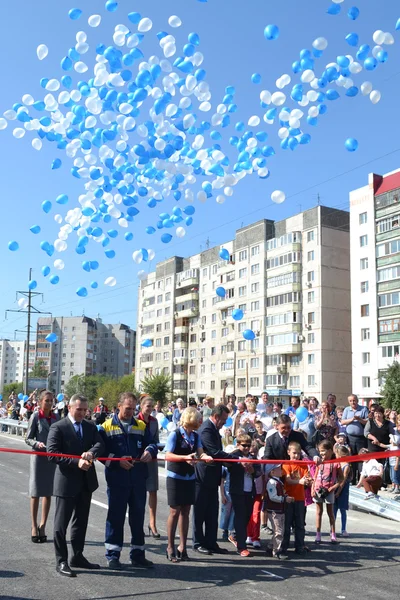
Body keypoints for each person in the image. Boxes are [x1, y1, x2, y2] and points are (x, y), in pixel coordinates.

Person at [46, 394, 104, 577]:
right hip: (66, 482)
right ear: (70, 408)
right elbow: (52, 454)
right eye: (79, 409)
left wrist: (91, 453)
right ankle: (61, 560)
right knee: (60, 525)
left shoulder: (89, 426)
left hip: (86, 482)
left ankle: (77, 556)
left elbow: (99, 443)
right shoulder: (58, 427)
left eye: (85, 409)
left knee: (80, 522)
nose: (82, 413)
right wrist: (76, 462)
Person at [99, 392, 158, 571]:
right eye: (127, 408)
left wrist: (149, 451)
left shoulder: (140, 425)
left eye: (133, 409)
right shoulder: (105, 427)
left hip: (138, 479)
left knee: (137, 517)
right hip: (117, 480)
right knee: (115, 518)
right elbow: (100, 452)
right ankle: (113, 555)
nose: (131, 412)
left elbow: (153, 443)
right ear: (118, 406)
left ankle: (138, 555)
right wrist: (117, 461)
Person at [165, 407, 212, 562]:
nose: (200, 421)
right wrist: (184, 458)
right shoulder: (176, 434)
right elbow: (168, 455)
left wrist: (205, 456)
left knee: (186, 511)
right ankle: (170, 546)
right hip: (175, 476)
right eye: (198, 418)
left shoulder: (195, 436)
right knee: (174, 511)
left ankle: (182, 546)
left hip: (189, 477)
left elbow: (200, 451)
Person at [193, 404, 231, 555]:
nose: (224, 423)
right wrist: (234, 458)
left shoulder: (214, 429)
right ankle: (198, 542)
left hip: (212, 477)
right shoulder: (206, 429)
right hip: (203, 477)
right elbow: (215, 453)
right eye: (223, 420)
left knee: (211, 513)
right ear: (216, 417)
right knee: (200, 512)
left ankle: (210, 542)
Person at [25, 390, 58, 544]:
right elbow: (28, 438)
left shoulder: (56, 417)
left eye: (51, 400)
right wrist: (37, 443)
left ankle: (43, 525)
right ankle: (33, 525)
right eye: (47, 400)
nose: (50, 403)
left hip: (51, 458)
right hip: (38, 457)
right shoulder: (36, 416)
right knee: (36, 491)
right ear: (40, 402)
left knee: (48, 492)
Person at [227, 434, 260, 557]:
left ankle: (235, 535)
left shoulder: (253, 457)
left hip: (249, 490)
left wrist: (253, 471)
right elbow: (227, 465)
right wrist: (239, 464)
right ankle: (241, 546)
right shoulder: (234, 455)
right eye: (243, 445)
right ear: (238, 444)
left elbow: (258, 472)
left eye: (248, 445)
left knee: (247, 516)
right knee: (240, 516)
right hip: (237, 491)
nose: (246, 448)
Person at [281, 441, 312, 556]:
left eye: (298, 453)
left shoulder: (303, 464)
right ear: (288, 452)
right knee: (286, 524)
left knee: (299, 525)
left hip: (300, 498)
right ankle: (283, 547)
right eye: (294, 453)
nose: (296, 456)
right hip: (289, 498)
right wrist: (300, 481)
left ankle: (299, 546)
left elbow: (307, 478)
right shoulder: (286, 464)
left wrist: (309, 481)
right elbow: (288, 480)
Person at [137, 396, 161, 538]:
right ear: (141, 406)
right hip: (138, 460)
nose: (150, 409)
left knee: (153, 490)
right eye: (148, 406)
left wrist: (153, 449)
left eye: (152, 406)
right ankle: (138, 523)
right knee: (138, 492)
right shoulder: (135, 420)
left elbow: (156, 441)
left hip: (151, 459)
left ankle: (152, 523)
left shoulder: (154, 422)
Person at [312, 440, 343, 544]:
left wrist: (333, 488)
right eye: (320, 451)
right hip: (318, 489)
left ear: (330, 451)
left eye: (323, 451)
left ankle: (333, 534)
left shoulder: (335, 464)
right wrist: (312, 488)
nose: (321, 454)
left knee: (330, 513)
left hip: (329, 491)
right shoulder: (319, 463)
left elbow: (341, 479)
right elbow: (315, 476)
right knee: (318, 512)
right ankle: (318, 534)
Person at [264, 464, 294, 559]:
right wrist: (284, 499)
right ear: (272, 472)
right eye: (279, 469)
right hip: (274, 511)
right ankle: (277, 551)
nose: (282, 471)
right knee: (279, 531)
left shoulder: (278, 482)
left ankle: (270, 546)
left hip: (280, 510)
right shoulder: (272, 483)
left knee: (279, 531)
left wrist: (286, 497)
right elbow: (272, 497)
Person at [341, 394, 368, 482]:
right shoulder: (346, 410)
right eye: (351, 401)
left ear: (357, 400)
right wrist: (352, 419)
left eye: (354, 400)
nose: (353, 402)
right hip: (350, 438)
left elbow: (368, 422)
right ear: (349, 402)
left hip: (361, 438)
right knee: (351, 457)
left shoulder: (363, 409)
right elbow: (342, 421)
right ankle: (352, 478)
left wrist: (360, 419)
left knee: (361, 458)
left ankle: (361, 478)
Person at [334, 445, 352, 537]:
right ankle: (332, 529)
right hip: (335, 488)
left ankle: (343, 529)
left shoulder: (346, 466)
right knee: (333, 510)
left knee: (342, 510)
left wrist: (338, 492)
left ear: (340, 455)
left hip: (343, 490)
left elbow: (343, 481)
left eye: (336, 453)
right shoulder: (337, 464)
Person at [219, 462, 235, 542]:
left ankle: (231, 530)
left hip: (235, 493)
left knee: (234, 513)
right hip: (227, 493)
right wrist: (222, 495)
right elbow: (221, 482)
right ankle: (224, 529)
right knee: (226, 513)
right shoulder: (224, 468)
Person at [389, 414, 400, 494]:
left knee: (396, 470)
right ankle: (393, 485)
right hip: (393, 452)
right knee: (392, 471)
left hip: (398, 453)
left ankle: (397, 487)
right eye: (399, 420)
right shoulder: (394, 430)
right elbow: (391, 441)